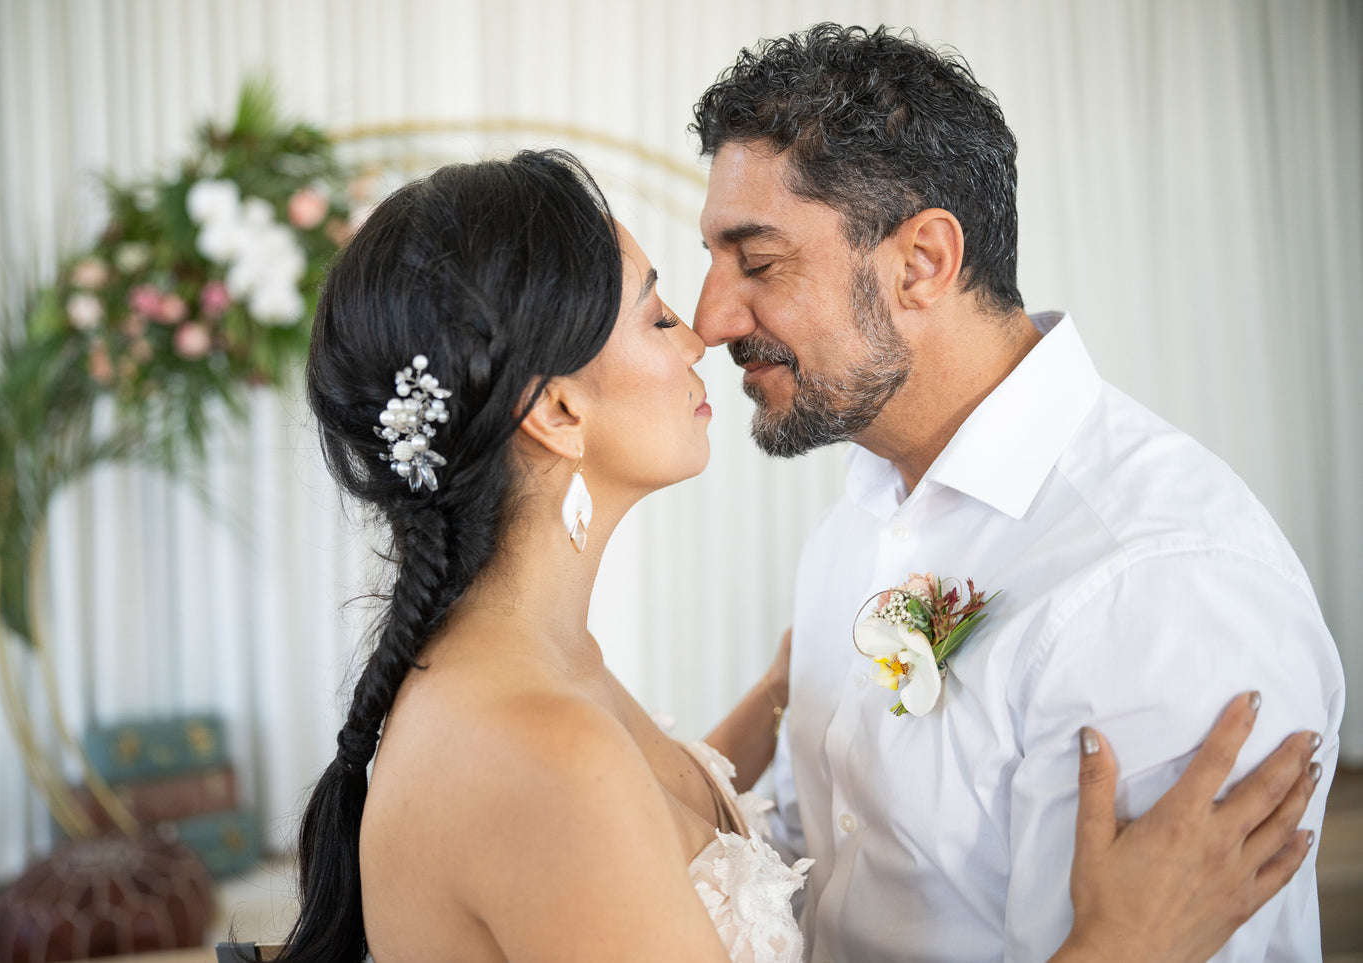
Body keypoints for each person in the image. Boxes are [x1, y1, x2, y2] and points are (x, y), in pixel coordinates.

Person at [271, 150, 1320, 963]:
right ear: (554, 409)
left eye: (753, 263)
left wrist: (801, 687)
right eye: (656, 312)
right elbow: (581, 815)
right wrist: (1122, 949)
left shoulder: (538, 662)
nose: (704, 332)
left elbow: (659, 846)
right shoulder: (536, 746)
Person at [689, 23, 1346, 962]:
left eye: (758, 263)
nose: (712, 319)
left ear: (921, 262)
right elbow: (822, 861)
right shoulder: (856, 520)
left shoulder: (1156, 590)